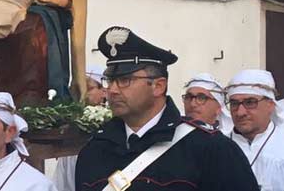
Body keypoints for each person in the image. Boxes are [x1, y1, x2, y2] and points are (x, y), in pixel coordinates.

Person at [75, 27, 259, 191]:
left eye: (125, 80)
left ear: (158, 86)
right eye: (110, 80)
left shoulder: (209, 149)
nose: (112, 90)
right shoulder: (94, 150)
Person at [225, 69, 284, 191]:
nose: (240, 112)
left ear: (270, 105)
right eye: (234, 103)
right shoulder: (217, 146)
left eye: (250, 102)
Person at [51, 66, 107, 191]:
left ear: (104, 91)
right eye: (76, 90)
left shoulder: (112, 126)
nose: (83, 94)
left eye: (89, 88)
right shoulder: (70, 127)